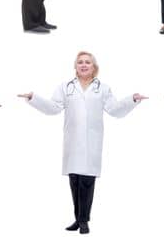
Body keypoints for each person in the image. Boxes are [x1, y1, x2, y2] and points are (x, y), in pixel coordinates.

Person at [19, 52, 146, 234]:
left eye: (88, 62)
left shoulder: (102, 88)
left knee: (86, 181)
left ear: (94, 67)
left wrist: (131, 100)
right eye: (80, 62)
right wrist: (33, 98)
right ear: (75, 66)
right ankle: (78, 219)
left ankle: (84, 220)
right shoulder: (66, 87)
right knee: (75, 181)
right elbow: (53, 108)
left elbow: (114, 109)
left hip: (91, 142)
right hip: (72, 141)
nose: (84, 65)